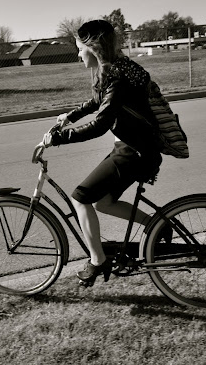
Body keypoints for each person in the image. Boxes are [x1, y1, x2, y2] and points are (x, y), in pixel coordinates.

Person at [42, 19, 166, 285]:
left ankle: (97, 260)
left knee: (81, 198)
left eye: (79, 49)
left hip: (135, 151)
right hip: (133, 147)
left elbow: (101, 124)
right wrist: (70, 116)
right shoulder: (116, 69)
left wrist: (59, 138)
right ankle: (156, 224)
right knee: (102, 201)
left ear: (93, 47)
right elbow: (98, 101)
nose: (77, 55)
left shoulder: (117, 77)